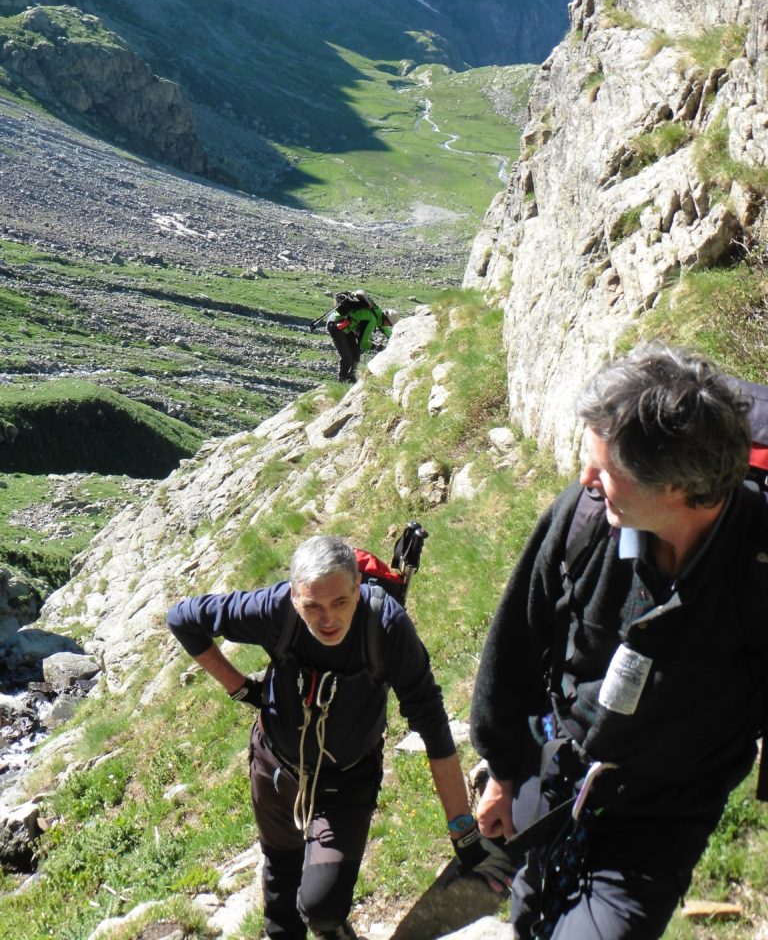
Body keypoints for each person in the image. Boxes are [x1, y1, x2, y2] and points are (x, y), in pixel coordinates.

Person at [470, 341, 768, 940]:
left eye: (606, 472)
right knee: (529, 916)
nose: (586, 480)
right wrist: (503, 770)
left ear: (679, 488)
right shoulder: (585, 521)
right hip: (553, 775)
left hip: (658, 817)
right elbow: (516, 644)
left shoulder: (755, 568)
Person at [167, 535, 513, 940]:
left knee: (321, 906)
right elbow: (182, 619)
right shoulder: (273, 610)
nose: (327, 619)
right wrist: (239, 687)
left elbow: (433, 726)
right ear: (294, 596)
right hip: (275, 768)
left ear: (357, 589)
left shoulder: (385, 627)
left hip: (346, 779)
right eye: (312, 606)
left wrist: (463, 832)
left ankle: (332, 927)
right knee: (281, 890)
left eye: (340, 603)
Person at [326, 291, 394, 383]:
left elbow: (385, 330)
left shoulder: (378, 312)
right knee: (348, 357)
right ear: (387, 320)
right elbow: (363, 343)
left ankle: (352, 378)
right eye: (389, 324)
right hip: (336, 326)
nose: (388, 326)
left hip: (344, 325)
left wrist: (394, 338)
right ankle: (342, 380)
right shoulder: (372, 320)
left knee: (356, 354)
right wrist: (377, 347)